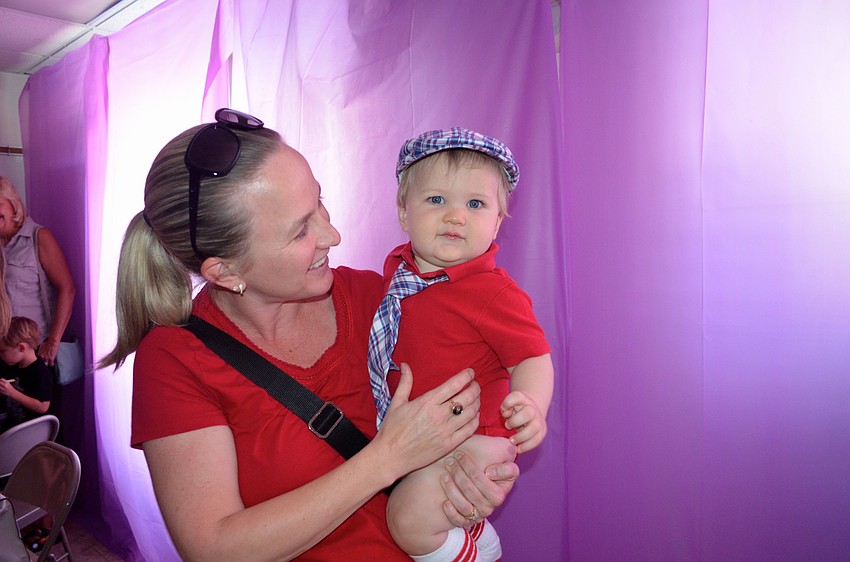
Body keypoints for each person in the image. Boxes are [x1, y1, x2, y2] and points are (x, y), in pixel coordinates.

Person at [98, 108, 520, 562]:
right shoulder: (176, 358)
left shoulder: (382, 298)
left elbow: (477, 395)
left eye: (319, 201)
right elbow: (214, 548)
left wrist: (479, 467)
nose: (332, 234)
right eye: (301, 230)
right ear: (226, 271)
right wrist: (386, 458)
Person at [369, 128, 555, 561]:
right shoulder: (399, 276)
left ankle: (475, 557)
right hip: (427, 435)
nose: (456, 216)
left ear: (497, 222)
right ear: (403, 212)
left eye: (475, 204)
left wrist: (530, 405)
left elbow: (532, 355)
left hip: (476, 435)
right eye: (437, 200)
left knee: (408, 520)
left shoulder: (491, 290)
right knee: (424, 508)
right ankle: (480, 542)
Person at [0, 176, 76, 367]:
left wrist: (53, 341)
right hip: (4, 352)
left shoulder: (39, 237)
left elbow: (67, 288)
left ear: (12, 203)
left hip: (35, 353)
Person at [0, 316, 54, 431]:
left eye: (2, 351)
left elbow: (43, 407)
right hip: (13, 425)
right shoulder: (12, 365)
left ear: (21, 348)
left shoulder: (40, 372)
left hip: (32, 431)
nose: (1, 355)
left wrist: (12, 393)